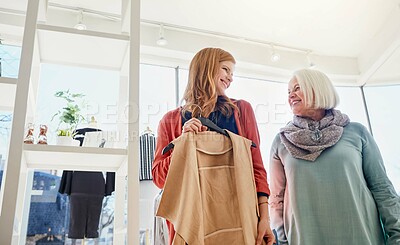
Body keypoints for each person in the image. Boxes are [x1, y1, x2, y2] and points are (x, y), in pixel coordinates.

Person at [152, 47, 275, 245]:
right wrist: (183, 144)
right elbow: (159, 179)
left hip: (241, 219)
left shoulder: (242, 110)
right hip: (193, 224)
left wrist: (265, 218)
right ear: (206, 68)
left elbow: (256, 168)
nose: (230, 78)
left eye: (232, 73)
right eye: (226, 69)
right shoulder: (170, 121)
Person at [269, 68, 400, 245]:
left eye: (297, 88)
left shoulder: (356, 132)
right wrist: (282, 241)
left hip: (361, 236)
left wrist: (396, 235)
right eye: (289, 91)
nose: (291, 95)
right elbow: (277, 200)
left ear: (318, 88)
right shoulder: (281, 141)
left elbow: (382, 188)